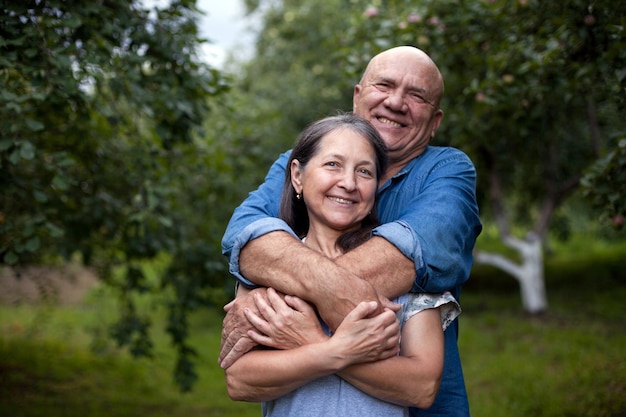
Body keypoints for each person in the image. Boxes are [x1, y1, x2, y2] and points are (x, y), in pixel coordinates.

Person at [221, 46, 482, 416]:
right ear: (358, 95)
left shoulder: (447, 171)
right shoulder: (297, 157)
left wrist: (272, 299)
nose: (395, 102)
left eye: (416, 95)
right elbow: (244, 237)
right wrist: (260, 274)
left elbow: (409, 257)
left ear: (435, 120)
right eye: (385, 85)